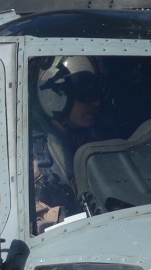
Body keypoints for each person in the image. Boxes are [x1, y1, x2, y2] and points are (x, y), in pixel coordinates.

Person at [31, 55, 107, 232]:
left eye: (97, 94)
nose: (96, 103)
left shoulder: (101, 139)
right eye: (86, 95)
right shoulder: (26, 156)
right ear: (54, 96)